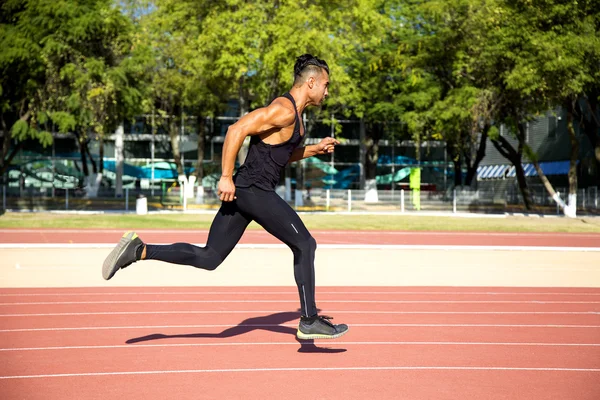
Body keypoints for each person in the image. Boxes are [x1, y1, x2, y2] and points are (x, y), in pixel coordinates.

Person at [102, 54, 348, 340]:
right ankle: (308, 320)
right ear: (311, 82)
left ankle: (139, 250)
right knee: (305, 244)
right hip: (253, 190)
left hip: (248, 191)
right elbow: (237, 129)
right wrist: (225, 176)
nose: (327, 92)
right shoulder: (284, 109)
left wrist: (314, 149)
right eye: (326, 85)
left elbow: (280, 155)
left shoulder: (296, 116)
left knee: (210, 256)